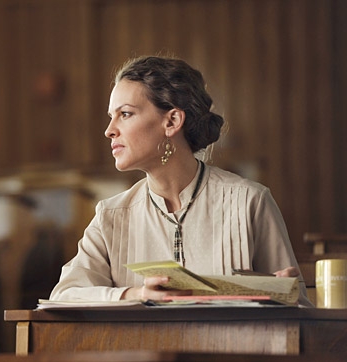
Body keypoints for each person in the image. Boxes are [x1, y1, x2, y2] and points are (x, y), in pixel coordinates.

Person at [49, 55, 312, 306]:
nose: (109, 130)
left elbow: (300, 311)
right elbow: (65, 294)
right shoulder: (111, 216)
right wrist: (135, 294)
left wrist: (283, 299)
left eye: (125, 114)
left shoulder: (249, 202)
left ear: (172, 120)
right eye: (111, 117)